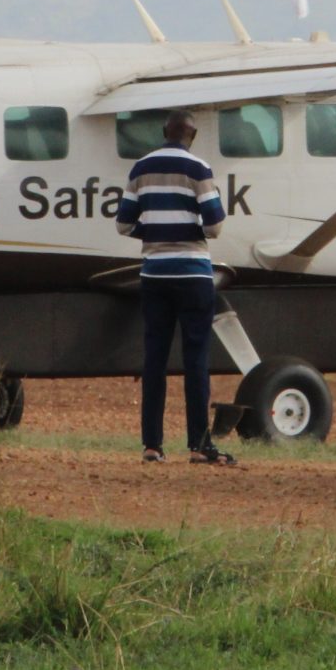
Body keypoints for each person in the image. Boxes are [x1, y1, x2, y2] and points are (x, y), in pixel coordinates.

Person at [115, 111, 233, 464]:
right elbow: (214, 226)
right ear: (192, 136)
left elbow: (123, 225)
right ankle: (198, 445)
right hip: (194, 275)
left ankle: (152, 445)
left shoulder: (141, 168)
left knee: (155, 360)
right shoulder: (198, 168)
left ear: (163, 131)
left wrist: (151, 232)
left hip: (154, 276)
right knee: (196, 360)